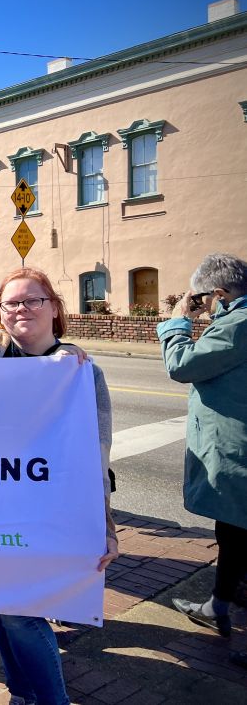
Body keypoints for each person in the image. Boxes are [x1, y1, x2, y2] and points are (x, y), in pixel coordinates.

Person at [0, 267, 117, 705]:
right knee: (2, 606)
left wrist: (103, 525)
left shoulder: (84, 374)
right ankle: (22, 693)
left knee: (19, 613)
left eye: (33, 300)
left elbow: (96, 454)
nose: (21, 309)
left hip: (48, 514)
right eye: (10, 303)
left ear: (54, 308)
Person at [157, 253, 247, 661]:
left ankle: (221, 605)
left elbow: (182, 364)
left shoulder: (238, 324)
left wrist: (178, 320)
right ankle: (219, 605)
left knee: (236, 533)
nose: (204, 306)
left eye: (205, 299)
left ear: (221, 293)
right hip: (235, 447)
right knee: (232, 533)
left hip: (236, 450)